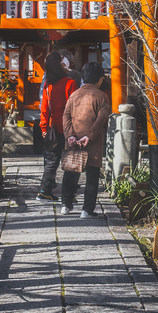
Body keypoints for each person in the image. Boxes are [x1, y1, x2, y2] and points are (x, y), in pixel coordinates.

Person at [60, 62, 111, 218]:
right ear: (100, 79)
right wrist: (89, 136)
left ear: (83, 77)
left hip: (73, 141)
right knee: (92, 175)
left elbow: (66, 116)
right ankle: (86, 210)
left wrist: (70, 136)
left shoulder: (74, 95)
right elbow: (100, 120)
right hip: (92, 142)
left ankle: (65, 205)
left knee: (70, 172)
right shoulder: (102, 96)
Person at [37, 52, 77, 201]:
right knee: (70, 161)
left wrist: (43, 129)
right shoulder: (70, 83)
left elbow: (44, 109)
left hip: (52, 127)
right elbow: (74, 108)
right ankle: (69, 195)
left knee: (52, 161)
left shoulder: (48, 84)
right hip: (68, 127)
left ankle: (44, 190)